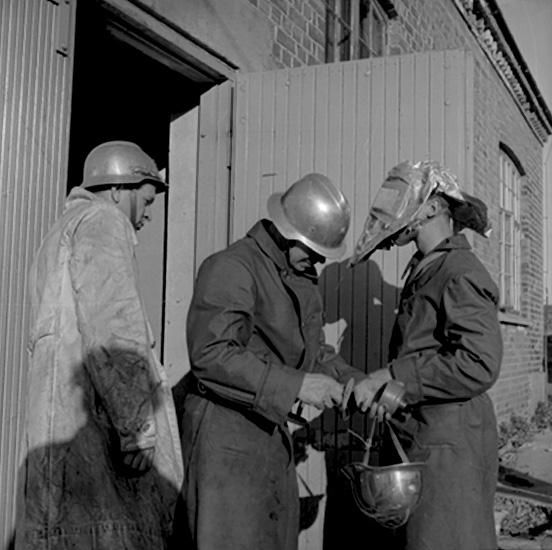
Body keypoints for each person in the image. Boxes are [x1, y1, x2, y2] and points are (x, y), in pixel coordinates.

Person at [180, 173, 382, 550]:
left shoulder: (296, 275)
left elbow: (314, 353)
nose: (317, 262)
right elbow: (211, 353)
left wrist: (353, 380)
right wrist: (298, 385)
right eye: (313, 251)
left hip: (268, 432)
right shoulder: (233, 267)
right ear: (288, 233)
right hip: (226, 436)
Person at [15, 141, 183, 549]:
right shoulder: (104, 220)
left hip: (59, 463)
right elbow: (115, 328)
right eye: (146, 200)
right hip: (96, 457)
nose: (147, 214)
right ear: (118, 189)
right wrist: (138, 426)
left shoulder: (58, 234)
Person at [348, 160, 503, 550]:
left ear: (432, 207)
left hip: (449, 445)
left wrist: (396, 377)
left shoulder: (458, 271)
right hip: (427, 436)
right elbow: (427, 353)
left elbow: (479, 364)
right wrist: (394, 387)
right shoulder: (430, 267)